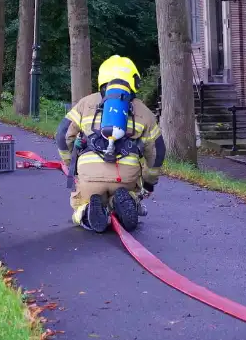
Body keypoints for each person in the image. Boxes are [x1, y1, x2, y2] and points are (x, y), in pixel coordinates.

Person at [55, 55, 165, 233]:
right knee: (129, 194)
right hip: (125, 177)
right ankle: (122, 201)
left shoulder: (85, 104)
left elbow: (62, 134)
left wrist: (71, 166)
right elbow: (158, 151)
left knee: (80, 203)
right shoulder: (144, 111)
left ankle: (85, 211)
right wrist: (149, 182)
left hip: (89, 175)